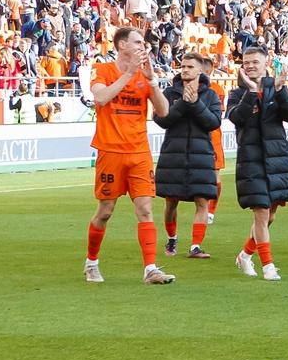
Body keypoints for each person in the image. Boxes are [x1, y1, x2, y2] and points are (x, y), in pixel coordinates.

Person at [84, 27, 175, 285]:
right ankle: (91, 262)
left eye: (143, 43)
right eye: (136, 42)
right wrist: (129, 74)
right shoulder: (102, 69)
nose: (142, 46)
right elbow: (101, 97)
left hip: (139, 152)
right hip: (111, 150)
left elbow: (164, 110)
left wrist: (153, 81)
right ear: (121, 44)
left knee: (145, 209)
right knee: (105, 210)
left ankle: (151, 269)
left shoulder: (144, 75)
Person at [227, 46, 288, 281]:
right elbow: (237, 118)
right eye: (246, 62)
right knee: (261, 212)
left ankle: (245, 255)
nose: (250, 66)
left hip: (276, 158)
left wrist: (281, 90)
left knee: (270, 215)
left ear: (265, 62)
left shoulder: (274, 87)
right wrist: (250, 92)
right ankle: (268, 266)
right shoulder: (237, 93)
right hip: (251, 160)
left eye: (255, 62)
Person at [154, 53, 222, 259]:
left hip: (201, 156)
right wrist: (184, 102)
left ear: (200, 70)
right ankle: (172, 239)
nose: (185, 70)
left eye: (190, 67)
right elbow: (161, 119)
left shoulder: (210, 95)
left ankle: (195, 246)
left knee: (202, 201)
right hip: (173, 156)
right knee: (170, 202)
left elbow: (213, 122)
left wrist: (195, 103)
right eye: (183, 66)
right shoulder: (169, 92)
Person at [201, 57, 227, 224]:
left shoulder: (217, 90)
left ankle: (211, 211)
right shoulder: (187, 88)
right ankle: (202, 209)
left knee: (215, 177)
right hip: (195, 138)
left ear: (209, 71)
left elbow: (218, 115)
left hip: (213, 137)